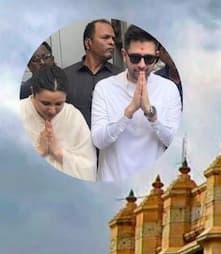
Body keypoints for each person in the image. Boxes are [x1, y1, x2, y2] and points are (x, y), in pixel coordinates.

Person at [91, 25, 181, 182]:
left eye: (148, 59)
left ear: (157, 56)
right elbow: (98, 141)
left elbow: (174, 141)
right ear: (124, 55)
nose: (141, 65)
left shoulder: (168, 89)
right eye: (135, 58)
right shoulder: (104, 88)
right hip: (112, 181)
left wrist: (151, 116)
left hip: (151, 184)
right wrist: (128, 112)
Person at [20, 65, 97, 180]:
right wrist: (39, 150)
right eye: (45, 103)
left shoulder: (72, 115)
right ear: (33, 92)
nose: (52, 110)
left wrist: (58, 153)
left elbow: (88, 166)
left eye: (58, 104)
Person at [63, 19, 123, 128]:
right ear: (88, 43)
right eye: (105, 38)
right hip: (76, 143)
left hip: (110, 142)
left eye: (113, 38)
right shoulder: (65, 76)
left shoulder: (121, 76)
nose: (112, 42)